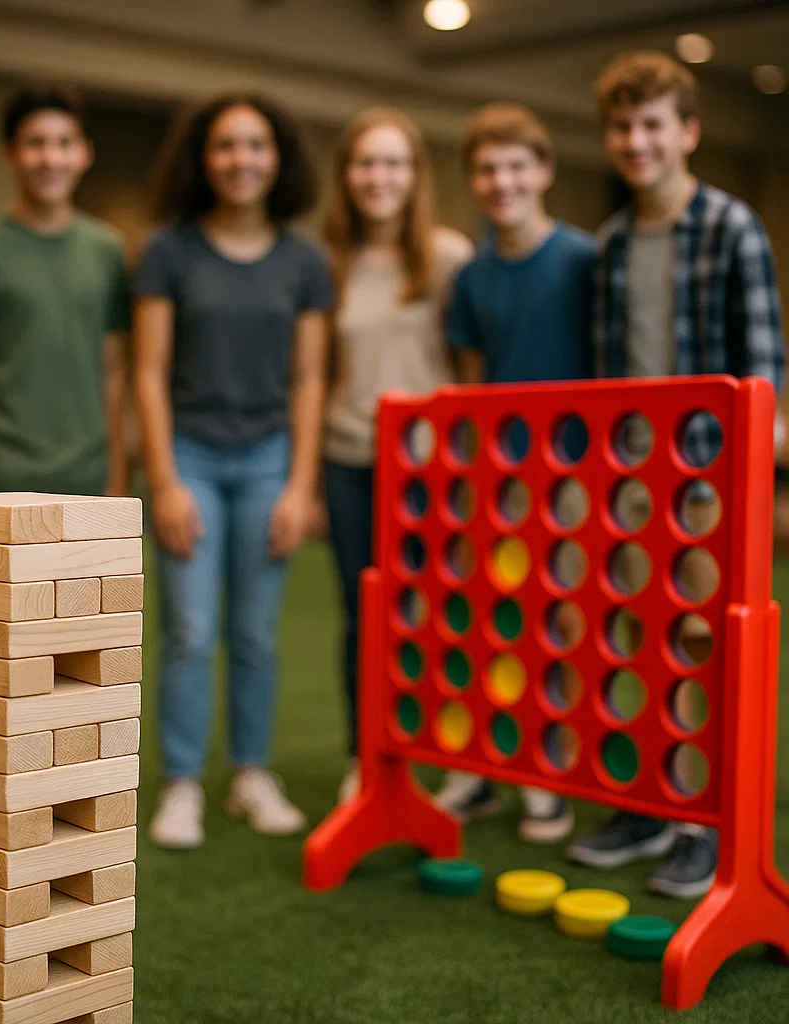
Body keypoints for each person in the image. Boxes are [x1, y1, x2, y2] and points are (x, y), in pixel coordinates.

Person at [566, 52, 784, 899]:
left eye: (653, 124)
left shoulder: (733, 226)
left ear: (687, 132)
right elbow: (603, 370)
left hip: (707, 477)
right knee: (640, 643)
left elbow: (764, 365)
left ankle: (706, 823)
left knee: (702, 646)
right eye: (622, 127)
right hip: (631, 478)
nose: (636, 140)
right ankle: (652, 805)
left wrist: (744, 480)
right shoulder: (614, 239)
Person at [133, 93, 332, 849]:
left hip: (268, 460)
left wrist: (300, 483)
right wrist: (165, 479)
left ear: (278, 159)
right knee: (188, 629)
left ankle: (250, 773)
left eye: (256, 146)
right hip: (191, 455)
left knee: (254, 632)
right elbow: (148, 373)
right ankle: (182, 783)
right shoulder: (168, 252)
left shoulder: (303, 260)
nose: (241, 160)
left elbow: (310, 378)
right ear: (202, 159)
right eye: (225, 146)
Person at [440, 102, 597, 844]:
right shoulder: (471, 278)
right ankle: (480, 765)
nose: (501, 181)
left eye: (514, 166)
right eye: (487, 169)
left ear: (543, 171)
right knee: (489, 617)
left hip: (571, 469)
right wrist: (476, 477)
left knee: (561, 619)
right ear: (474, 180)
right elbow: (473, 388)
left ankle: (550, 773)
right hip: (496, 474)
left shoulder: (583, 260)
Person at [322, 107, 473, 804]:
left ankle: (443, 750)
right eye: (366, 163)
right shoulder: (327, 259)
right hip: (349, 455)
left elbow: (468, 369)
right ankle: (368, 757)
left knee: (431, 615)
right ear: (347, 175)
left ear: (414, 176)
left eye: (394, 163)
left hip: (428, 468)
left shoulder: (447, 257)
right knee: (364, 614)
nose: (379, 177)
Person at [0, 85, 131, 497]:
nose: (51, 158)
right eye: (36, 144)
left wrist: (117, 472)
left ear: (85, 153)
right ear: (9, 153)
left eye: (64, 144)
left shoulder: (108, 251)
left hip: (87, 476)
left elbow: (115, 370)